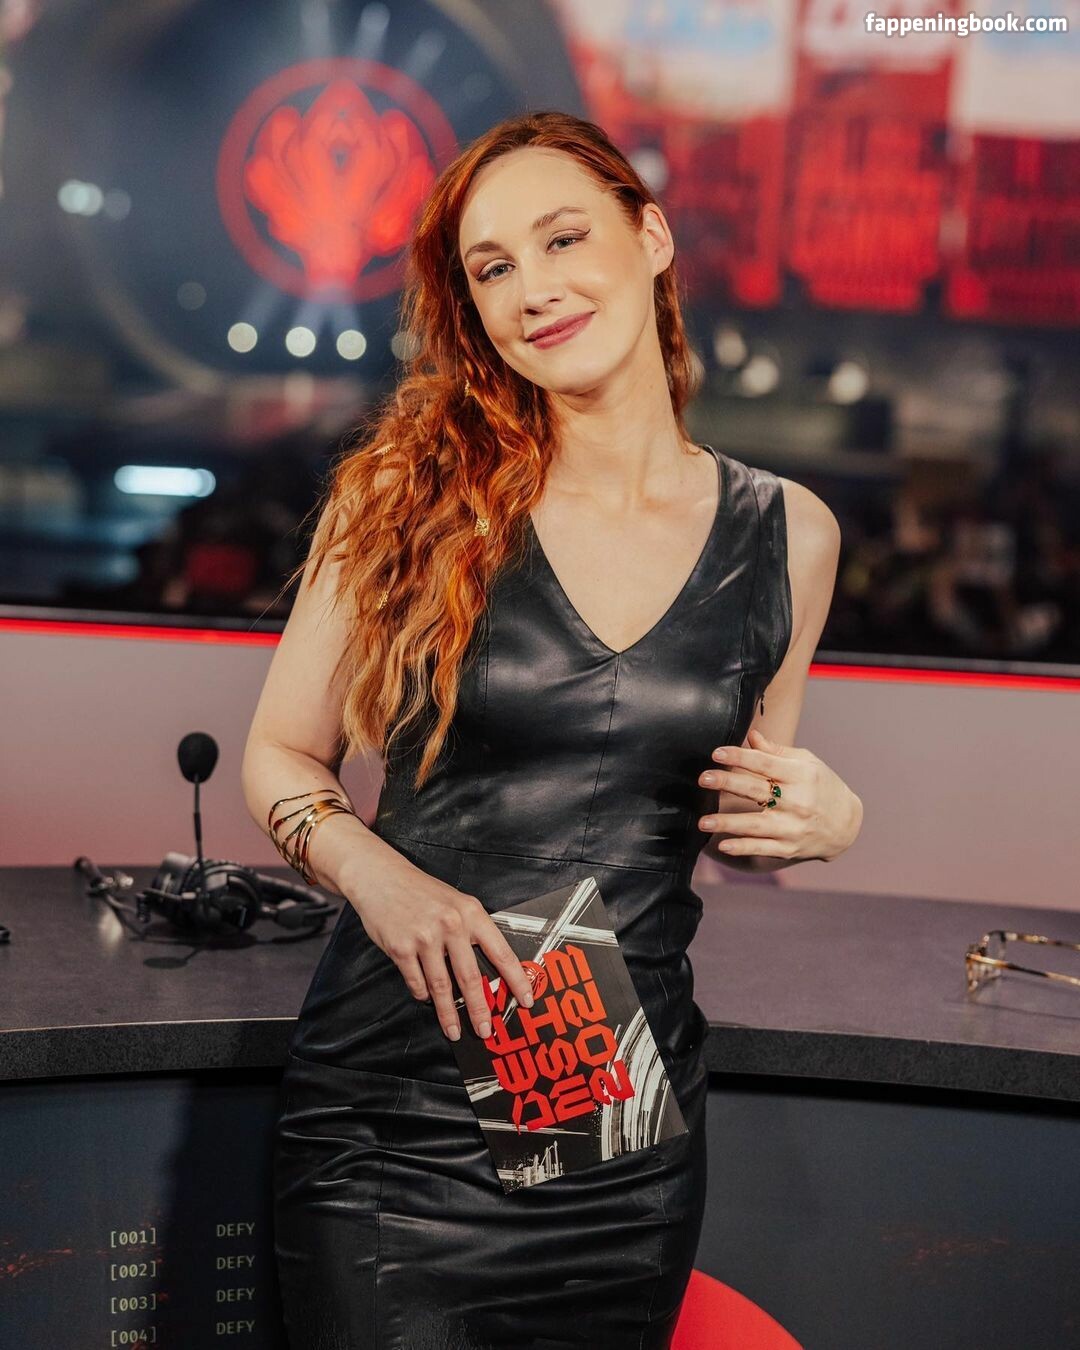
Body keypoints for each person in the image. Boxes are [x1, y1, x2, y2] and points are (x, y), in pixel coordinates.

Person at [241, 109, 863, 1350]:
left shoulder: (791, 535)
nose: (533, 289)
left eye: (563, 239)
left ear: (652, 238)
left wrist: (825, 819)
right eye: (493, 268)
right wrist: (380, 878)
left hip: (614, 1126)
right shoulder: (405, 497)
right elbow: (280, 756)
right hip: (397, 1114)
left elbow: (736, 815)